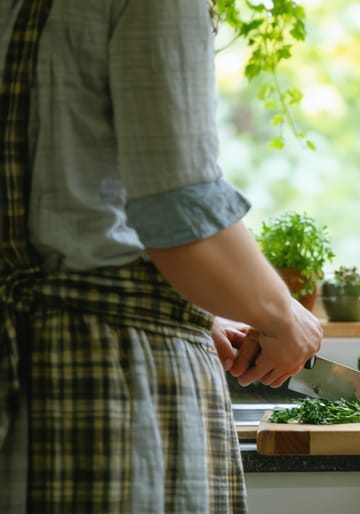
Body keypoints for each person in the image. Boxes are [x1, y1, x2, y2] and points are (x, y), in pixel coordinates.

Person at [0, 0, 323, 512]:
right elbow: (181, 210)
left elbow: (63, 213)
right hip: (111, 382)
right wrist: (283, 316)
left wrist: (173, 306)